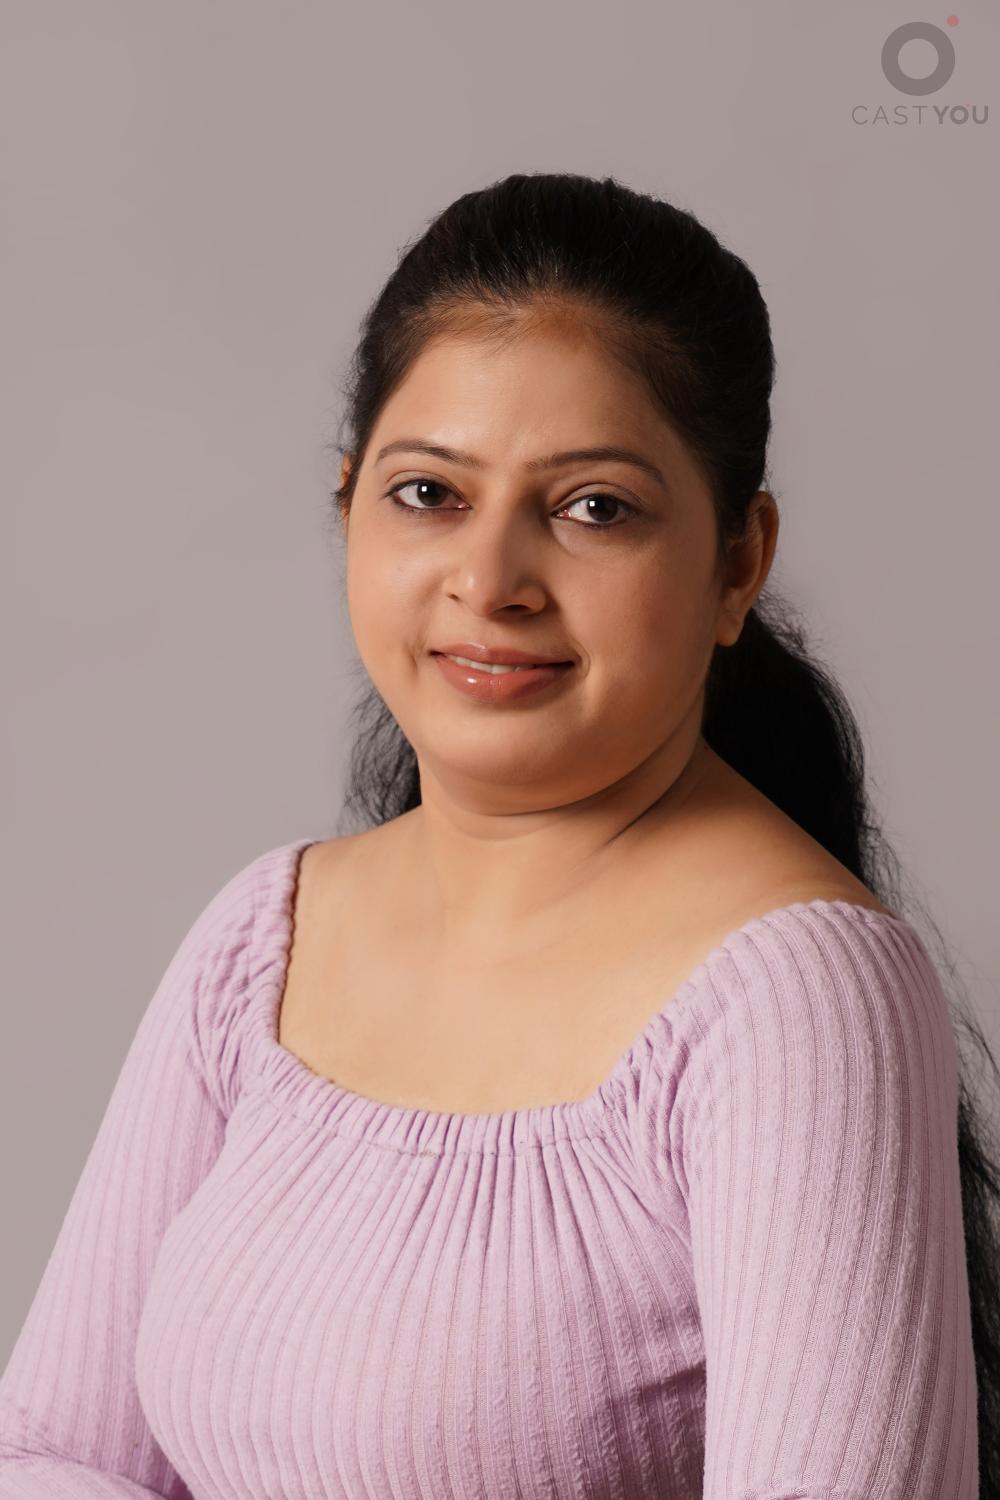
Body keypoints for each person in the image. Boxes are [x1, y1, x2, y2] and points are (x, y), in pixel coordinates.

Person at [1, 171, 995, 1499]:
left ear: (738, 562)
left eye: (594, 508)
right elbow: (53, 1453)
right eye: (428, 494)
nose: (490, 580)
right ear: (348, 508)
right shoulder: (265, 937)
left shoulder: (800, 999)